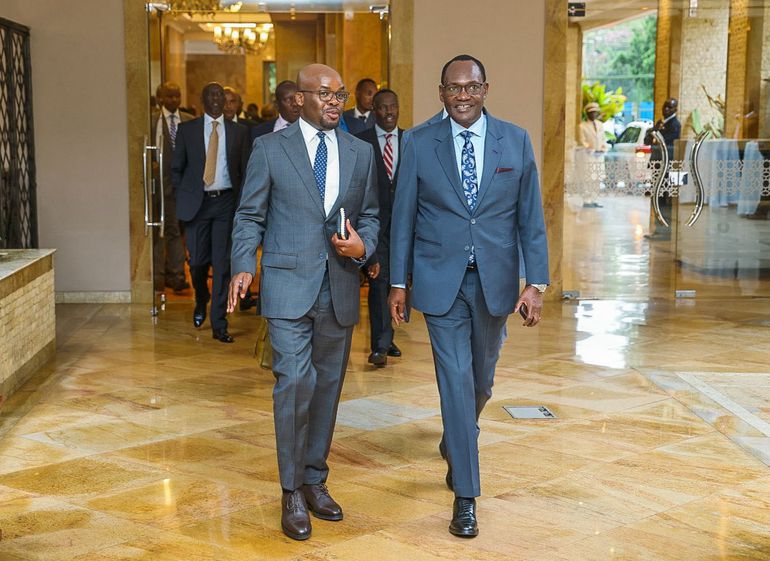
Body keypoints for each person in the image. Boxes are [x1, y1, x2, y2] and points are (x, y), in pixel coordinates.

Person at [388, 54, 549, 538]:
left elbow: (530, 219)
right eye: (453, 88)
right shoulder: (417, 143)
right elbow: (403, 219)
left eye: (471, 87)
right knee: (455, 381)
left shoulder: (515, 141)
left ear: (485, 89)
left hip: (495, 283)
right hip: (441, 283)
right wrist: (399, 281)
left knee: (481, 381)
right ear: (441, 93)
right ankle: (465, 494)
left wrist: (535, 283)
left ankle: (457, 437)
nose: (463, 95)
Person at [228, 63, 379, 541]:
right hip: (287, 286)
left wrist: (364, 247)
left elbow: (372, 216)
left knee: (328, 389)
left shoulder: (361, 152)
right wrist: (241, 266)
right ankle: (291, 489)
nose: (335, 102)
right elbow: (249, 214)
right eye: (325, 94)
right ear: (300, 100)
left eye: (340, 95)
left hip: (337, 287)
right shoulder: (270, 149)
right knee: (294, 382)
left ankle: (315, 478)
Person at [171, 82, 251, 343]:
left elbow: (244, 171)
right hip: (198, 204)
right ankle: (200, 299)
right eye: (212, 95)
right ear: (203, 100)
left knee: (222, 264)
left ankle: (219, 322)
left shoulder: (239, 132)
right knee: (196, 262)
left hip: (226, 203)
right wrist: (183, 195)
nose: (217, 100)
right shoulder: (187, 130)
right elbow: (176, 169)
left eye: (221, 96)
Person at [355, 89, 403, 367]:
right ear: (374, 110)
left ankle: (388, 336)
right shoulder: (361, 144)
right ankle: (380, 346)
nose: (388, 112)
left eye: (393, 107)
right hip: (374, 228)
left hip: (405, 229)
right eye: (383, 108)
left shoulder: (411, 141)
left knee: (399, 284)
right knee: (379, 283)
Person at [152, 81, 193, 292]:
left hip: (184, 188)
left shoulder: (188, 121)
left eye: (177, 96)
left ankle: (176, 274)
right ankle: (160, 275)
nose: (174, 100)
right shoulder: (152, 121)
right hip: (159, 186)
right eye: (169, 96)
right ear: (160, 98)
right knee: (162, 230)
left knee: (179, 232)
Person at [644, 98, 680, 239]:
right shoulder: (661, 123)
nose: (666, 110)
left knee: (665, 200)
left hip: (667, 166)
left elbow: (665, 142)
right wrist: (654, 129)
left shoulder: (674, 124)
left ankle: (665, 232)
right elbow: (647, 141)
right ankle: (658, 230)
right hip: (658, 165)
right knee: (657, 199)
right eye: (665, 106)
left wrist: (657, 132)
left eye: (670, 108)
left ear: (675, 110)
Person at [577, 101, 608, 208]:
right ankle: (587, 200)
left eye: (595, 112)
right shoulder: (582, 126)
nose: (594, 114)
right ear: (587, 113)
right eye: (591, 112)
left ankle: (594, 199)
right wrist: (590, 148)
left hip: (599, 156)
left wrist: (603, 147)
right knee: (588, 178)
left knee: (597, 178)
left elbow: (603, 139)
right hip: (588, 156)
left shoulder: (600, 125)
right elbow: (582, 141)